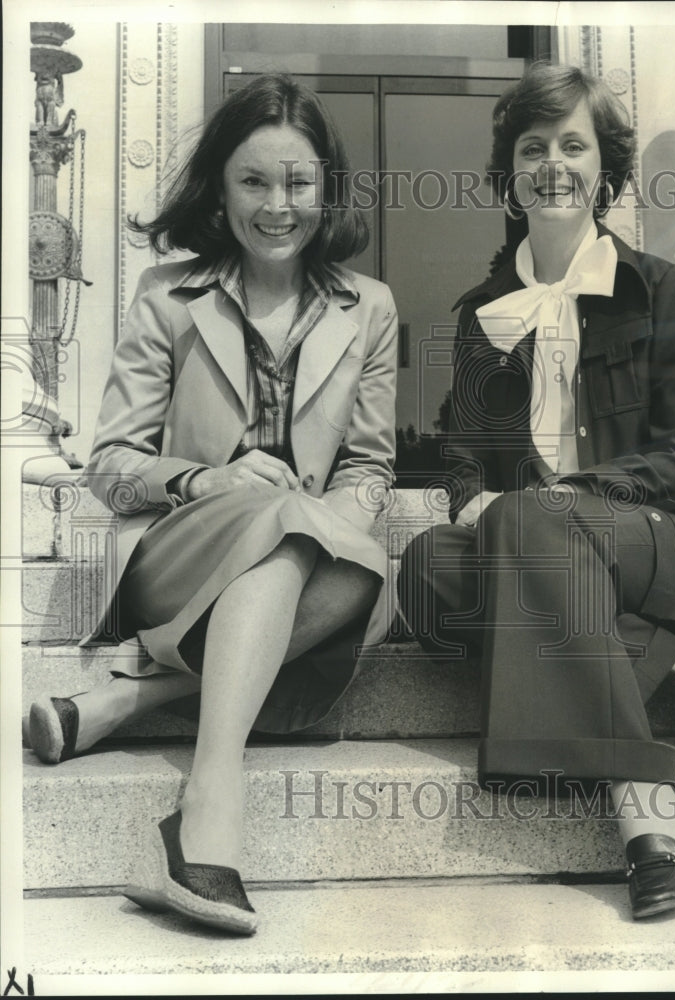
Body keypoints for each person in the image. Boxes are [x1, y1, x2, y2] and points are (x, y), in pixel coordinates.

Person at [27, 73, 398, 936]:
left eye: (299, 183)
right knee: (284, 521)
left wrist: (327, 517)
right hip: (176, 558)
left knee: (349, 564)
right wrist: (205, 479)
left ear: (326, 188)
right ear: (219, 190)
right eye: (254, 182)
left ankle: (131, 699)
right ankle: (210, 800)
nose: (279, 205)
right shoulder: (167, 294)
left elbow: (372, 467)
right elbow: (111, 461)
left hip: (305, 563)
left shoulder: (369, 306)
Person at [396, 61, 675, 921]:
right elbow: (463, 453)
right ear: (510, 172)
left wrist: (558, 496)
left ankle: (645, 812)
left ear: (603, 165)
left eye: (573, 145)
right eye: (533, 146)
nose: (553, 161)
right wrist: (474, 498)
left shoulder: (659, 288)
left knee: (533, 516)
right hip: (538, 548)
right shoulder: (480, 313)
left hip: (651, 536)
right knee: (428, 568)